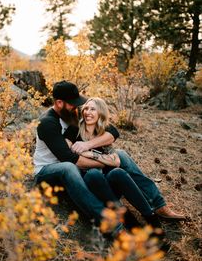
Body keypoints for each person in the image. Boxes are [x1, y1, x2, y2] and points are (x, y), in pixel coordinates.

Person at [63, 97, 185, 224]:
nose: (87, 112)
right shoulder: (74, 129)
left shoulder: (103, 129)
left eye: (93, 109)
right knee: (114, 161)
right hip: (93, 181)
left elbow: (114, 135)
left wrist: (88, 149)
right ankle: (146, 208)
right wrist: (103, 159)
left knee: (121, 156)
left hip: (109, 177)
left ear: (101, 112)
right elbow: (69, 151)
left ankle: (158, 205)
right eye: (86, 108)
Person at [33, 80, 124, 237]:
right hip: (46, 172)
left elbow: (113, 131)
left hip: (73, 169)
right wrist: (104, 161)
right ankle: (107, 222)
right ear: (59, 102)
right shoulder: (47, 123)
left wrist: (101, 154)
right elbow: (71, 160)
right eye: (72, 103)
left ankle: (137, 206)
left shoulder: (70, 114)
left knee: (120, 155)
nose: (76, 107)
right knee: (69, 168)